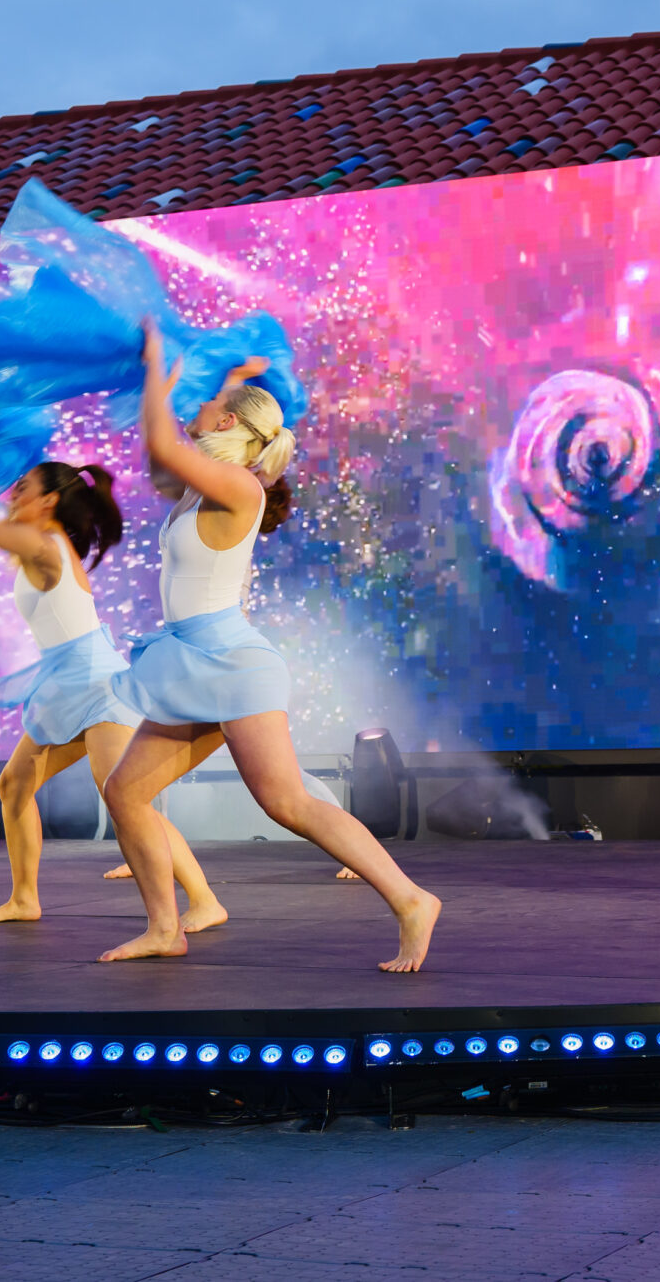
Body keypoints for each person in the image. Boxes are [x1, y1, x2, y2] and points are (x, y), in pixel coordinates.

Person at [96, 331, 439, 968]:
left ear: (226, 421)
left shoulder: (240, 485)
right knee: (125, 793)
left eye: (206, 403)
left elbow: (160, 442)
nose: (196, 409)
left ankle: (409, 898)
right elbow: (157, 459)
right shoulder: (199, 487)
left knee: (286, 802)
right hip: (194, 662)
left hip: (231, 665)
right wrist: (171, 385)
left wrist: (152, 368)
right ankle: (165, 929)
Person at [0, 424, 224, 929]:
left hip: (96, 687)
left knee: (125, 798)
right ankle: (24, 898)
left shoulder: (41, 544)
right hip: (65, 682)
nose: (11, 493)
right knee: (14, 784)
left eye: (22, 487)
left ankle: (203, 900)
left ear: (48, 501)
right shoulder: (39, 542)